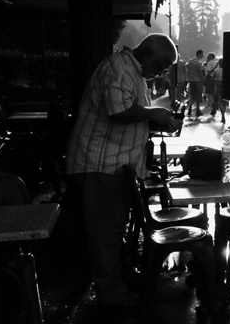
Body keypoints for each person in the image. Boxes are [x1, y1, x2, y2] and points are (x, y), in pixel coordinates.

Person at [65, 33, 182, 307]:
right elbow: (118, 112)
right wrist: (153, 114)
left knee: (114, 226)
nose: (160, 73)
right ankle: (110, 292)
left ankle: (117, 279)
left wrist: (157, 120)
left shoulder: (135, 73)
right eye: (161, 66)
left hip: (114, 163)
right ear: (149, 53)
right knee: (105, 231)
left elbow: (133, 114)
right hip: (100, 164)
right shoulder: (117, 68)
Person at [186, 49, 205, 119]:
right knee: (198, 96)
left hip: (191, 80)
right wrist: (203, 80)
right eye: (202, 54)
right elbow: (200, 73)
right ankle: (197, 110)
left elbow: (188, 69)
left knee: (192, 95)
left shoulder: (190, 61)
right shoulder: (199, 63)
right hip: (197, 81)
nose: (203, 56)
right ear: (199, 54)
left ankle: (190, 109)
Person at [203, 52, 220, 119]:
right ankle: (214, 104)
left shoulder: (209, 63)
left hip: (210, 79)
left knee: (209, 93)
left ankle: (213, 106)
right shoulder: (216, 63)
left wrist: (205, 78)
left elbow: (208, 72)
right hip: (215, 79)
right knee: (213, 93)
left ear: (210, 57)